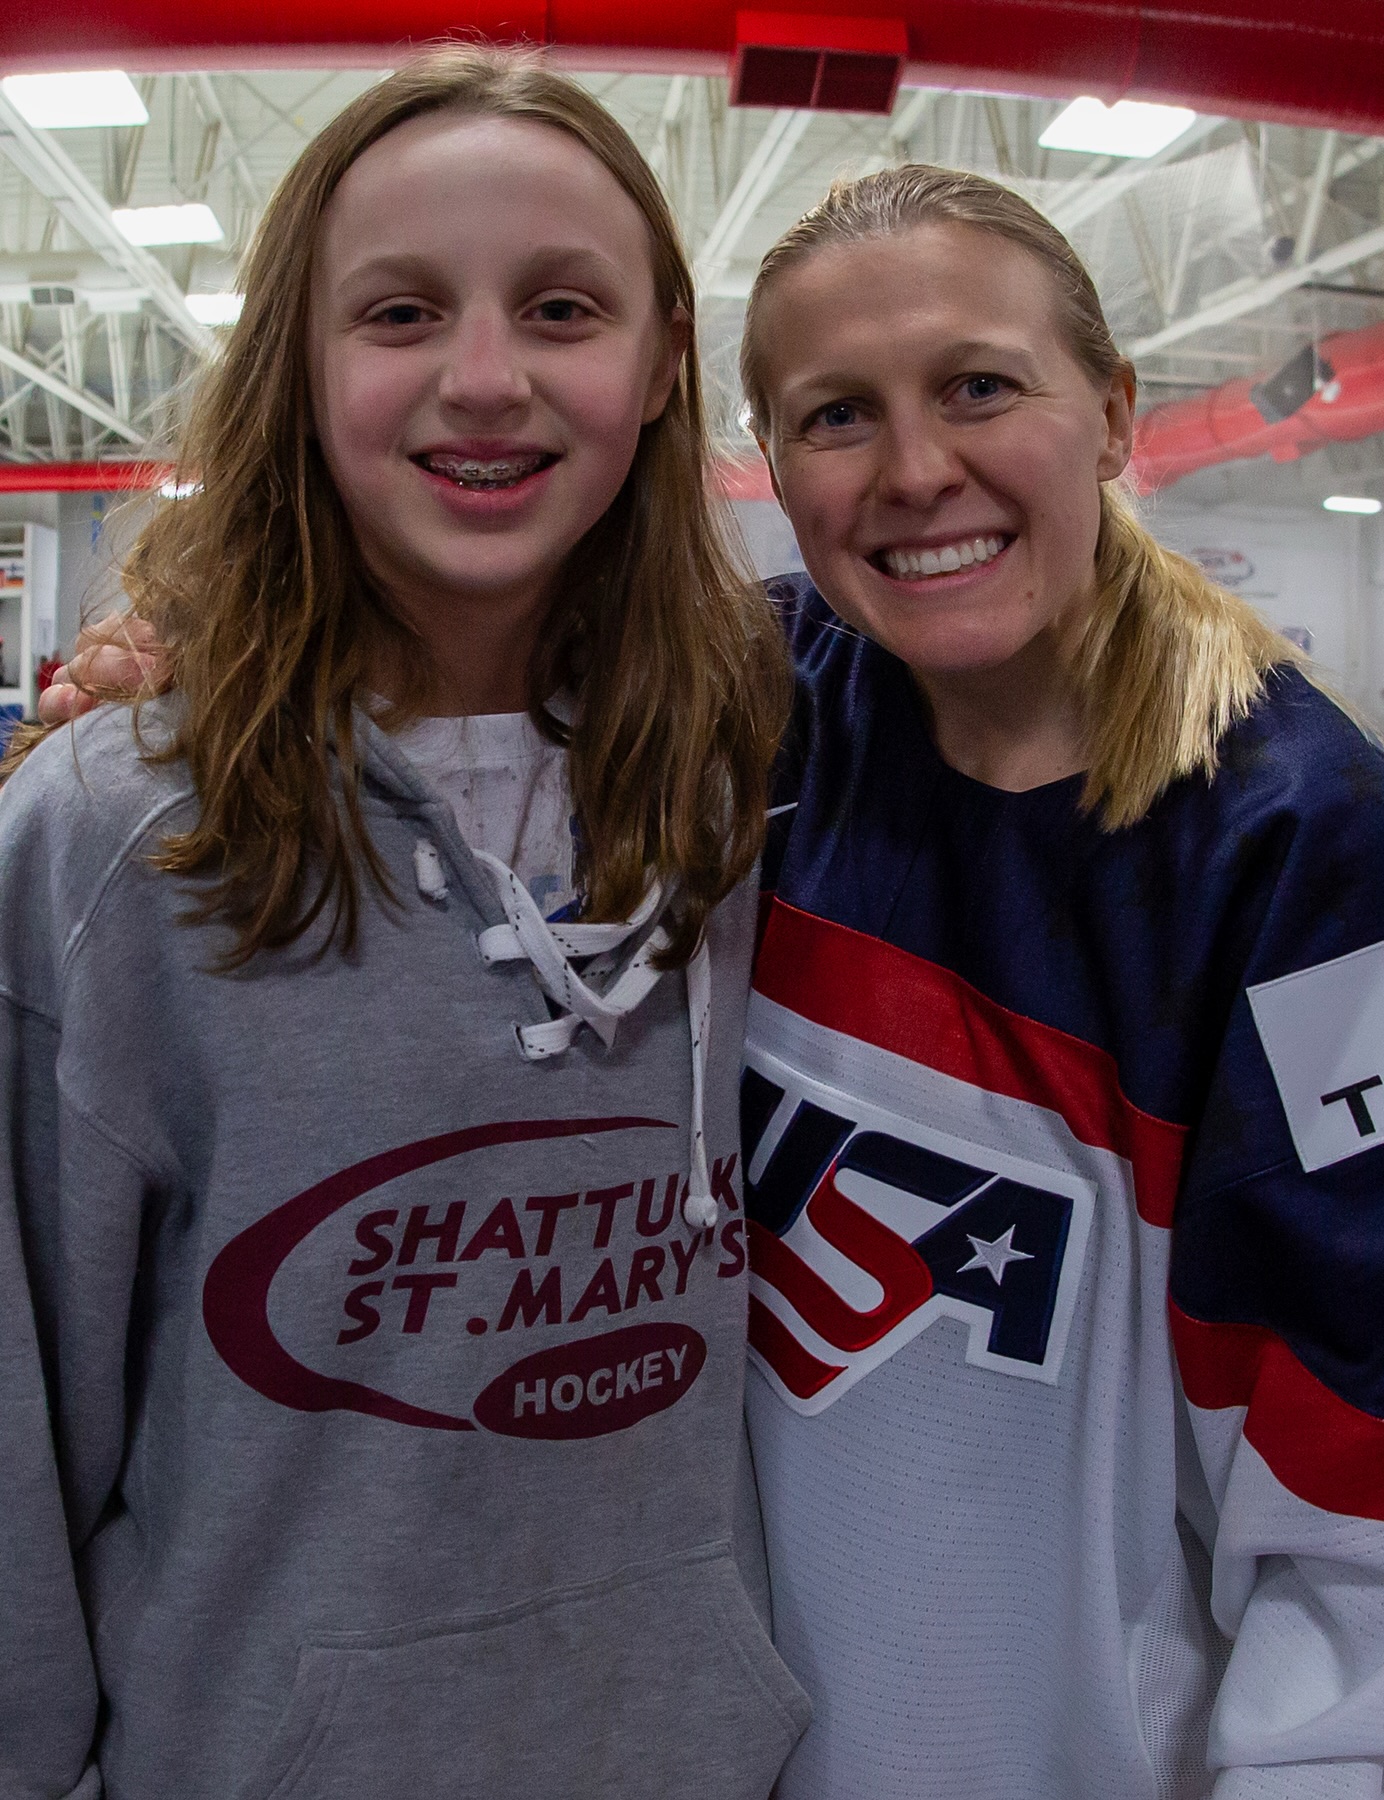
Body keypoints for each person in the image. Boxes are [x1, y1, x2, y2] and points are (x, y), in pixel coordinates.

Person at [0, 48, 809, 1800]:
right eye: (398, 313)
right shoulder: (108, 844)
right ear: (298, 358)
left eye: (564, 307)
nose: (487, 379)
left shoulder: (747, 773)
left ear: (667, 356)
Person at [736, 166, 1384, 1799]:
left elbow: (1379, 1479)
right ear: (774, 467)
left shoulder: (1309, 846)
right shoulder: (752, 711)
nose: (918, 470)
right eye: (840, 415)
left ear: (1113, 413)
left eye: (980, 386)